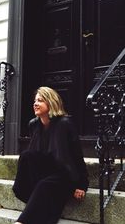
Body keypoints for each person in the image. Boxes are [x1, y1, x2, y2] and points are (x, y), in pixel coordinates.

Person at [12, 86, 89, 224]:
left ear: (51, 103)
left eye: (40, 101)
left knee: (44, 186)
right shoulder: (34, 125)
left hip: (64, 174)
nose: (35, 104)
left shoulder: (65, 124)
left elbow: (77, 156)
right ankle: (39, 203)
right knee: (26, 155)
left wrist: (82, 184)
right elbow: (36, 155)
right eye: (35, 101)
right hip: (46, 171)